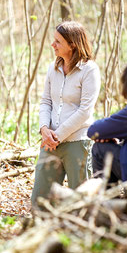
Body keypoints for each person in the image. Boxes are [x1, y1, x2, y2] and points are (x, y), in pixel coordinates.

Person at [31, 21, 100, 204]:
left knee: (81, 200)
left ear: (72, 44)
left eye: (58, 41)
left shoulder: (89, 70)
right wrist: (44, 129)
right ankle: (40, 231)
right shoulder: (52, 68)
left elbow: (85, 110)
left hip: (77, 141)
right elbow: (46, 102)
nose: (52, 44)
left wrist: (58, 136)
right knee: (40, 200)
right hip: (50, 142)